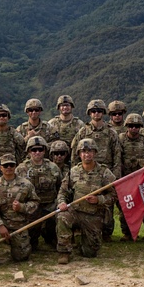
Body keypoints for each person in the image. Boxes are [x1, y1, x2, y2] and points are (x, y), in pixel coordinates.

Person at [56, 138, 117, 264]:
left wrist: (99, 199)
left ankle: (81, 240)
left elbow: (114, 195)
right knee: (62, 217)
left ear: (95, 153)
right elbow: (62, 191)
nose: (87, 154)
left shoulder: (104, 172)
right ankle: (64, 252)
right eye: (83, 151)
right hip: (75, 211)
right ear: (79, 154)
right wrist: (61, 203)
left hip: (93, 215)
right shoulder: (73, 172)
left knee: (90, 253)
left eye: (90, 151)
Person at [71, 99, 122, 240]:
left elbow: (117, 154)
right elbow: (75, 153)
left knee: (106, 203)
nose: (96, 114)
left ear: (103, 113)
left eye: (99, 111)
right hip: (85, 173)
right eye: (93, 111)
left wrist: (115, 176)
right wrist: (75, 172)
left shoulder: (111, 132)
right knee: (83, 201)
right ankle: (80, 229)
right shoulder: (82, 132)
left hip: (105, 173)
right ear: (89, 113)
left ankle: (106, 232)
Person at [0, 153, 41, 266]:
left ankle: (11, 241)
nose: (9, 168)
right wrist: (0, 225)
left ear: (15, 166)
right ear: (1, 167)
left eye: (11, 165)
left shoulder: (26, 184)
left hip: (18, 223)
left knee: (21, 257)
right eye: (5, 166)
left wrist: (22, 207)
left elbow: (35, 202)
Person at [16, 136, 62, 250]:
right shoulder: (21, 169)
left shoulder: (53, 167)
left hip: (50, 205)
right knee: (30, 241)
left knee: (56, 223)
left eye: (40, 149)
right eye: (34, 150)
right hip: (31, 207)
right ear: (28, 151)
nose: (37, 152)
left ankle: (51, 237)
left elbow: (60, 186)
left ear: (45, 151)